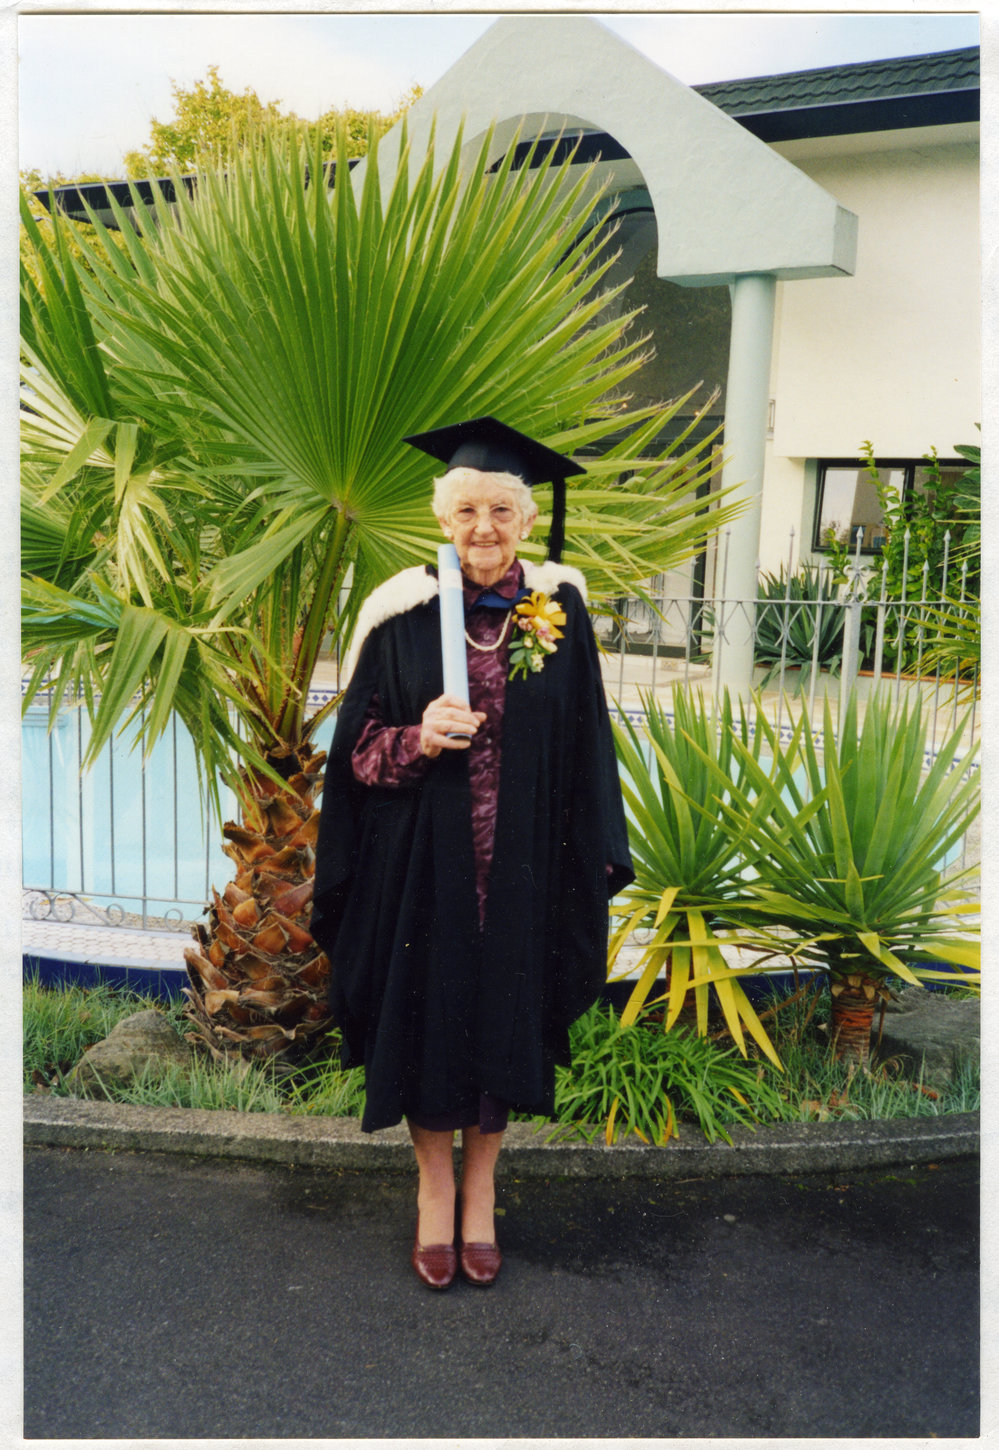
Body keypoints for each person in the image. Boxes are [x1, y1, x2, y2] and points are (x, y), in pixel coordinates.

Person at [310, 417, 633, 1290]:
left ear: (526, 520)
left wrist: (593, 854)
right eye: (464, 511)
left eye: (499, 509)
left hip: (521, 865)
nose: (482, 527)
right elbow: (354, 756)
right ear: (441, 519)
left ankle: (482, 1192)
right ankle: (432, 1189)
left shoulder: (559, 612)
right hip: (421, 868)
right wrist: (417, 738)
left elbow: (587, 742)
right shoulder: (401, 615)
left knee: (503, 1017)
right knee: (424, 1019)